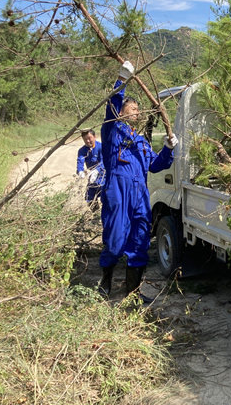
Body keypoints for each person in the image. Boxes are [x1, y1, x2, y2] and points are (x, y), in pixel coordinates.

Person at [98, 61, 178, 302]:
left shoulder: (141, 141)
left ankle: (132, 293)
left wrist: (167, 149)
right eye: (132, 108)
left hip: (139, 197)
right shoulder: (112, 131)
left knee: (140, 241)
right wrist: (121, 81)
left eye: (137, 109)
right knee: (114, 240)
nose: (137, 112)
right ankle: (105, 282)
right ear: (121, 111)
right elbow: (110, 108)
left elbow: (155, 165)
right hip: (117, 194)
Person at [76, 129, 105, 209]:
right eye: (85, 139)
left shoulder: (101, 147)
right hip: (92, 177)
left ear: (94, 137)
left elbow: (104, 161)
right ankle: (95, 215)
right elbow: (80, 161)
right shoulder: (82, 150)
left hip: (104, 176)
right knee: (89, 196)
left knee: (105, 197)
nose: (88, 141)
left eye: (90, 138)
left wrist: (97, 170)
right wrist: (80, 171)